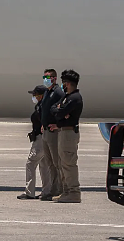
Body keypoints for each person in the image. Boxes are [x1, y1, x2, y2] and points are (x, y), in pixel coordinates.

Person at [49, 69, 83, 203]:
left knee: (69, 163)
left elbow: (59, 113)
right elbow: (54, 110)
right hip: (63, 131)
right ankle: (66, 191)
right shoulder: (67, 97)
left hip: (69, 133)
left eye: (64, 83)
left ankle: (74, 192)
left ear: (67, 83)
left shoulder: (75, 98)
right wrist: (60, 110)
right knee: (62, 163)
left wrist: (60, 111)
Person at [18, 85, 52, 200]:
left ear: (41, 95)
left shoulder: (42, 107)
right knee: (44, 165)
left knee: (31, 163)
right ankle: (47, 191)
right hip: (44, 138)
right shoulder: (44, 105)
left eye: (35, 95)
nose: (33, 97)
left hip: (40, 139)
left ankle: (29, 191)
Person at [40, 68, 65, 201]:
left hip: (54, 132)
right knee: (49, 163)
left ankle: (60, 189)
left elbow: (63, 109)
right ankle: (53, 189)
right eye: (44, 77)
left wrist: (58, 125)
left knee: (57, 162)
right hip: (46, 131)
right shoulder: (47, 92)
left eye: (47, 77)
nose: (45, 80)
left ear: (55, 79)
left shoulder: (58, 93)